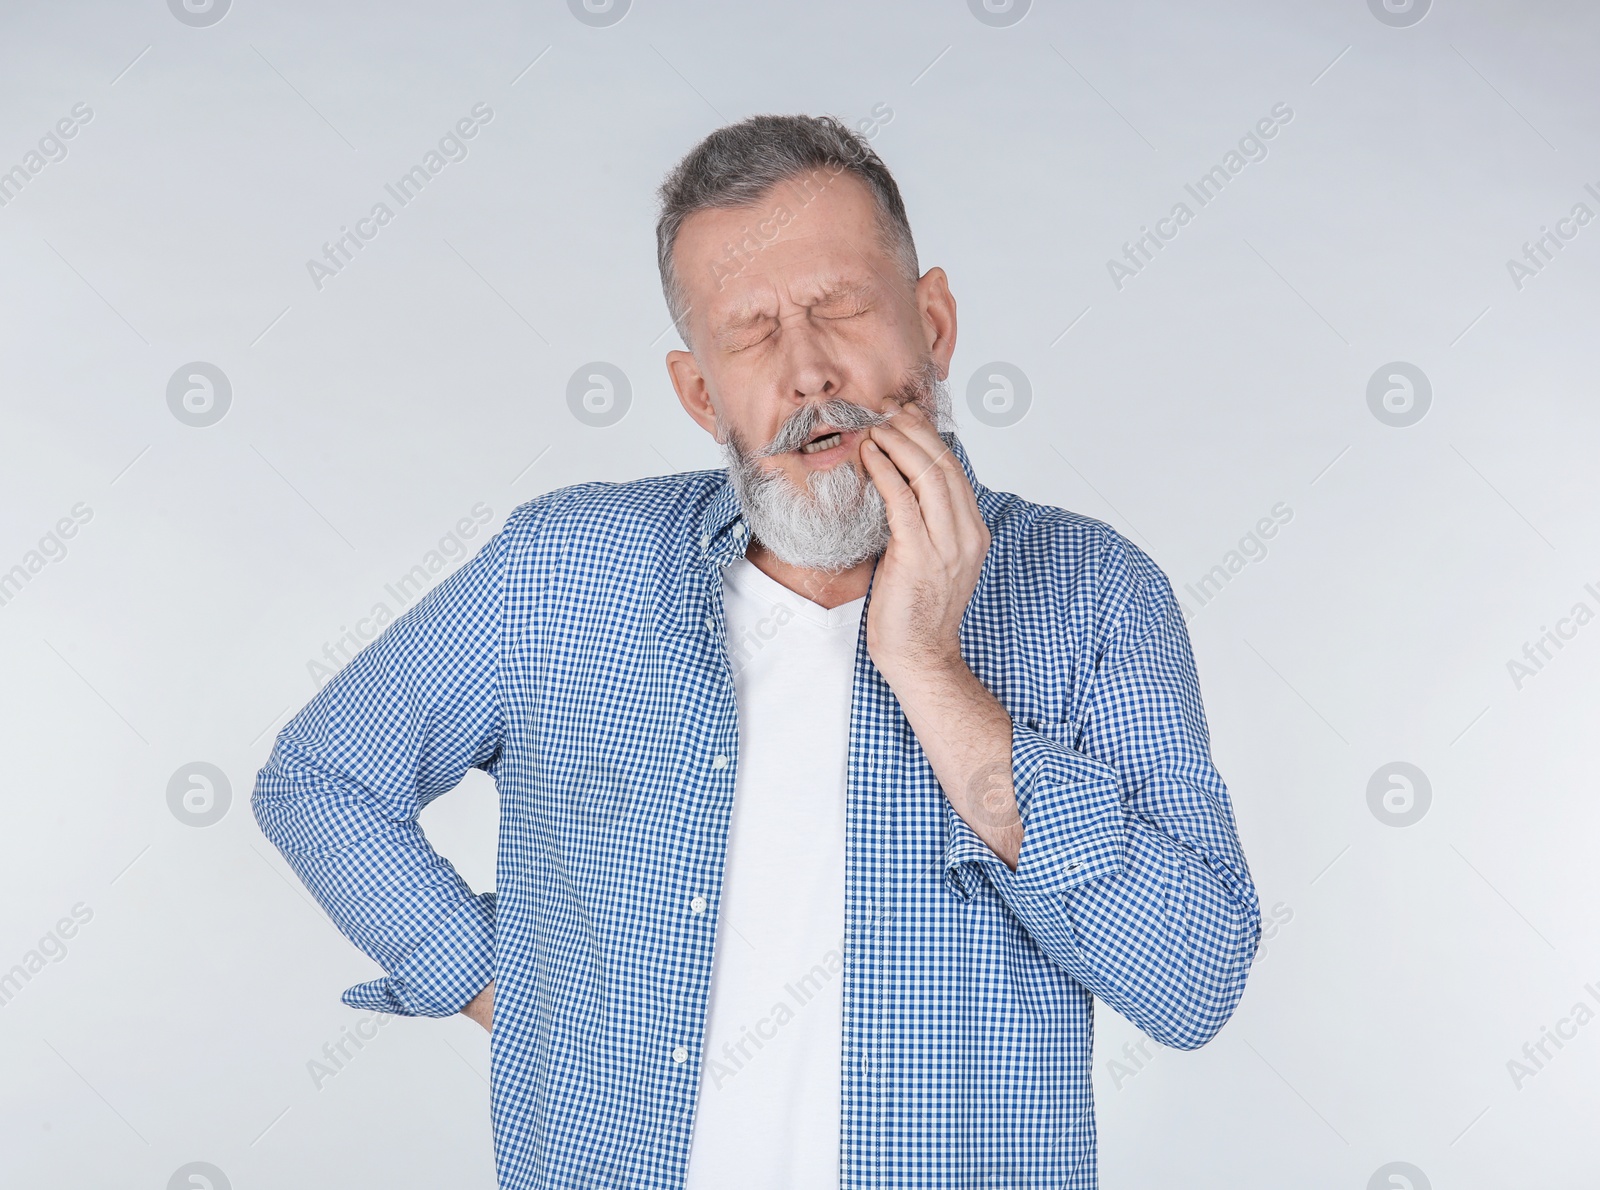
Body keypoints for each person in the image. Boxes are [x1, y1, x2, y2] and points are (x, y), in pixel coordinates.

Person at [254, 113, 1261, 1190]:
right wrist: (497, 977)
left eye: (840, 308)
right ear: (700, 393)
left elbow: (1192, 979)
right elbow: (321, 778)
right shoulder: (559, 571)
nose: (807, 371)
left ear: (932, 320)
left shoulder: (1093, 592)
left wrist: (929, 667)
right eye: (750, 333)